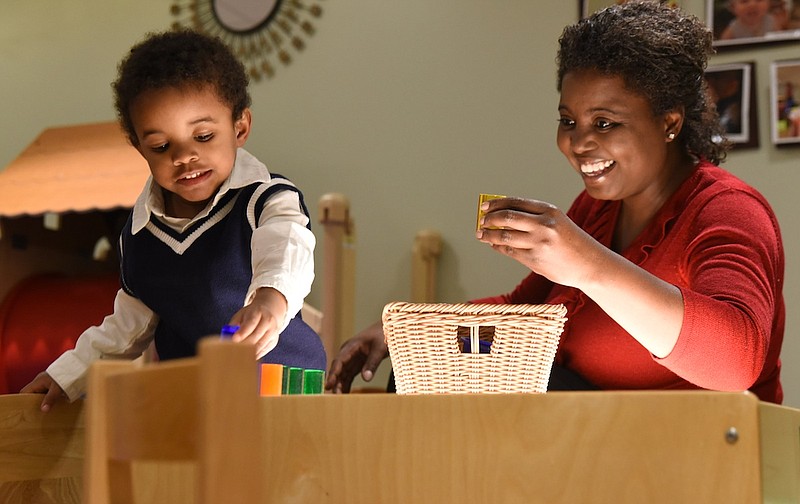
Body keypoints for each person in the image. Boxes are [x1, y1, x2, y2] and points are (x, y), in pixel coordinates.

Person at [326, 1, 785, 404]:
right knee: (419, 380)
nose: (579, 142)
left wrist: (587, 264)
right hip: (594, 452)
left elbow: (737, 362)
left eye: (605, 123)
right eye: (569, 120)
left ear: (669, 122)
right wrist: (407, 331)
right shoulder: (599, 211)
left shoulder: (728, 210)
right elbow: (522, 309)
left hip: (699, 460)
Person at [22, 30, 326, 410]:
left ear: (240, 128)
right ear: (139, 148)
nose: (185, 156)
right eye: (162, 147)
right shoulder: (140, 236)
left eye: (202, 135)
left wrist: (270, 299)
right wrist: (67, 375)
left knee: (286, 465)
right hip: (194, 397)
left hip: (282, 383)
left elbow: (287, 248)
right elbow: (127, 326)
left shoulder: (266, 198)